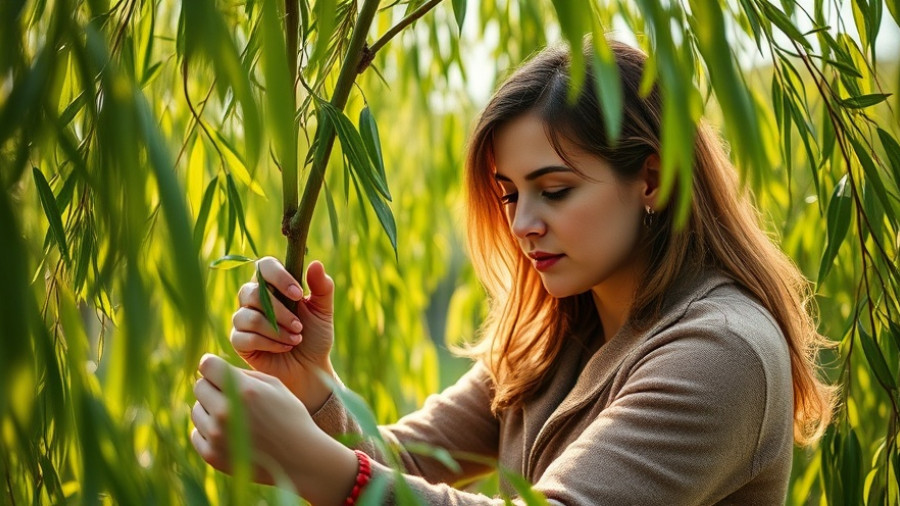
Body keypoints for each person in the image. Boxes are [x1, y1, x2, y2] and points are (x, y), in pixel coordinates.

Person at [190, 40, 835, 505]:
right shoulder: (558, 331)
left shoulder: (722, 351)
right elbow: (409, 466)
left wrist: (315, 466)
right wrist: (313, 384)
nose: (522, 222)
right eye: (509, 194)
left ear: (652, 179)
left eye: (553, 190)